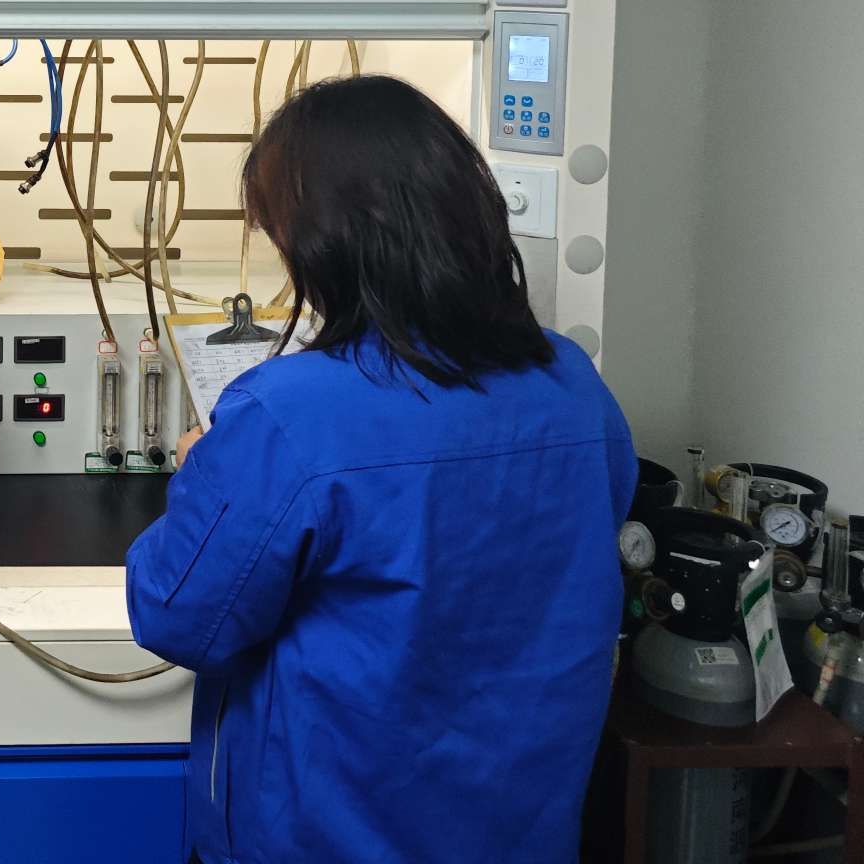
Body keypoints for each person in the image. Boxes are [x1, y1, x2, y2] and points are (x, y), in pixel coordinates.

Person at [126, 75, 635, 864]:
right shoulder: (574, 387)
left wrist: (202, 473)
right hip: (520, 835)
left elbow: (177, 612)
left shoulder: (291, 414)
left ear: (327, 243)